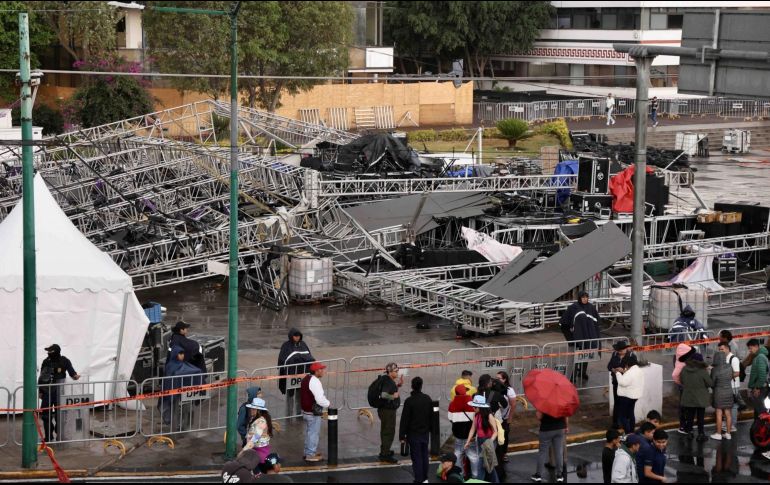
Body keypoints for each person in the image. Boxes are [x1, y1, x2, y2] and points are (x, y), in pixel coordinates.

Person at [38, 344, 80, 442]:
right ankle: (48, 436)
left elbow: (72, 373)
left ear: (56, 351)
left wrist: (76, 376)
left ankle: (60, 434)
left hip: (59, 391)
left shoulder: (64, 360)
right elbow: (41, 377)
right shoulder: (46, 361)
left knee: (60, 414)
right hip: (47, 392)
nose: (48, 353)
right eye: (48, 351)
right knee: (45, 415)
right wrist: (40, 391)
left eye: (50, 351)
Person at [399, 376, 435, 484]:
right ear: (421, 385)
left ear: (412, 386)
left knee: (416, 458)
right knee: (424, 456)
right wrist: (432, 430)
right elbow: (431, 416)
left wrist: (402, 436)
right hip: (424, 433)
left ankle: (418, 479)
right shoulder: (427, 399)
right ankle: (425, 477)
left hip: (413, 434)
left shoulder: (409, 401)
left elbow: (404, 420)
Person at [159, 346, 205, 428]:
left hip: (184, 393)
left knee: (185, 409)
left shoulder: (185, 364)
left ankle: (184, 424)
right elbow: (170, 379)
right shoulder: (170, 366)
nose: (182, 355)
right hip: (175, 394)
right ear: (175, 354)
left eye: (183, 353)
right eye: (180, 353)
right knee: (174, 409)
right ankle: (175, 425)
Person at [560, 291, 601, 382]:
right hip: (576, 339)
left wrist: (595, 336)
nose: (585, 299)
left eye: (586, 297)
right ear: (579, 298)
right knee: (574, 358)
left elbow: (597, 323)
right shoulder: (573, 308)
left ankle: (582, 373)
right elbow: (563, 324)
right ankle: (572, 375)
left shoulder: (591, 308)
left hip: (588, 338)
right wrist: (570, 339)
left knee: (585, 356)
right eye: (583, 297)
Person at [278, 328, 314, 418]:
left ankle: (299, 414)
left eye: (298, 336)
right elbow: (283, 359)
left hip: (302, 375)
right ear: (291, 336)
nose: (297, 338)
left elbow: (309, 356)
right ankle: (289, 415)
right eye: (295, 336)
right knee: (290, 395)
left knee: (300, 394)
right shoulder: (286, 345)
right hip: (291, 376)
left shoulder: (303, 344)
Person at [300, 362, 330, 463]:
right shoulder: (315, 381)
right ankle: (310, 454)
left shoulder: (306, 379)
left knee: (309, 432)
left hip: (306, 410)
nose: (323, 371)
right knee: (313, 433)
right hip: (312, 412)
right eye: (321, 369)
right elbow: (320, 399)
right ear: (316, 371)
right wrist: (328, 404)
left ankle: (307, 452)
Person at [466, 395, 499, 483]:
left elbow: (495, 432)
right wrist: (468, 441)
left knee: (480, 465)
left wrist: (489, 442)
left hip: (488, 441)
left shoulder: (489, 416)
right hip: (480, 441)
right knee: (488, 466)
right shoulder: (476, 415)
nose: (473, 408)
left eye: (475, 406)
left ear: (480, 407)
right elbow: (472, 429)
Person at [680, 353, 712, 441]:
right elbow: (710, 383)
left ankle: (689, 432)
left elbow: (681, 380)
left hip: (688, 396)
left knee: (690, 416)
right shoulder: (702, 370)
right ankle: (701, 434)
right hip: (701, 398)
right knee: (700, 417)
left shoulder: (684, 369)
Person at [376, 362, 403, 464]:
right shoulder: (388, 381)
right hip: (387, 411)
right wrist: (393, 397)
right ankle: (385, 454)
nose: (397, 373)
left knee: (385, 431)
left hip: (385, 410)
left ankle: (384, 450)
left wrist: (398, 385)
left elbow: (388, 390)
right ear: (390, 372)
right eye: (396, 371)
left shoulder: (387, 380)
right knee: (389, 432)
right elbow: (383, 394)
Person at [531, 407, 566, 483]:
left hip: (546, 429)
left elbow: (539, 416)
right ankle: (559, 475)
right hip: (560, 428)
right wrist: (566, 426)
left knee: (542, 452)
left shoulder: (544, 402)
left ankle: (538, 475)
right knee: (559, 452)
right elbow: (565, 415)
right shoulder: (561, 400)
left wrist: (538, 411)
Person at [448, 384, 475, 476]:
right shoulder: (471, 403)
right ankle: (475, 476)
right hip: (470, 435)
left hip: (458, 433)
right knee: (473, 456)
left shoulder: (452, 404)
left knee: (458, 454)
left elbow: (450, 418)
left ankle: (461, 474)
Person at [711, 342, 735, 441]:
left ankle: (718, 433)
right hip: (729, 391)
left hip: (719, 393)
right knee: (728, 413)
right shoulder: (729, 366)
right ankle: (728, 433)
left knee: (719, 413)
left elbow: (712, 383)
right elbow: (731, 377)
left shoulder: (715, 369)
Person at [495, 371, 517, 479]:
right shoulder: (495, 389)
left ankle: (503, 454)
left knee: (504, 437)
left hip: (504, 419)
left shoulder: (509, 390)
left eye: (499, 378)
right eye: (496, 378)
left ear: (505, 379)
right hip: (496, 418)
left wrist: (509, 419)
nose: (497, 380)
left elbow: (513, 405)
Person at [615, 355, 644, 436]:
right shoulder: (638, 370)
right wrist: (624, 372)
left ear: (628, 365)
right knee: (631, 414)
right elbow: (631, 378)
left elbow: (623, 382)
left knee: (622, 416)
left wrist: (617, 373)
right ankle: (631, 431)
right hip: (635, 396)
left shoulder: (630, 372)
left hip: (626, 396)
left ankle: (628, 433)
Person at [608, 341, 634, 427]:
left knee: (626, 403)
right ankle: (615, 423)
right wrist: (614, 370)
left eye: (620, 350)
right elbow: (609, 366)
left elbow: (635, 369)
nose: (619, 352)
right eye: (618, 350)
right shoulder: (614, 355)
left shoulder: (631, 356)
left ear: (626, 349)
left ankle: (626, 421)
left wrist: (623, 371)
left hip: (627, 383)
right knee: (617, 402)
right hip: (616, 382)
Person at [672, 343, 696, 434]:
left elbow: (674, 375)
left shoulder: (679, 360)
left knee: (683, 407)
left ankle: (683, 426)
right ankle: (688, 426)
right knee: (689, 408)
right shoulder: (684, 362)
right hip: (689, 388)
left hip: (684, 388)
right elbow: (674, 375)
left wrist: (680, 383)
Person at [242, 397, 274, 464]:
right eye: (251, 408)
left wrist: (243, 451)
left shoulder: (260, 422)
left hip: (258, 453)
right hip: (258, 451)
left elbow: (254, 439)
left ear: (259, 411)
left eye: (253, 409)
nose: (251, 410)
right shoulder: (257, 419)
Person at [746, 338, 769, 419]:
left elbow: (762, 375)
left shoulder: (760, 357)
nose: (750, 350)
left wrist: (757, 387)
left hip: (760, 388)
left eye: (750, 348)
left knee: (762, 413)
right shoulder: (759, 356)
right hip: (760, 387)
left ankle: (764, 429)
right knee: (759, 412)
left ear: (756, 346)